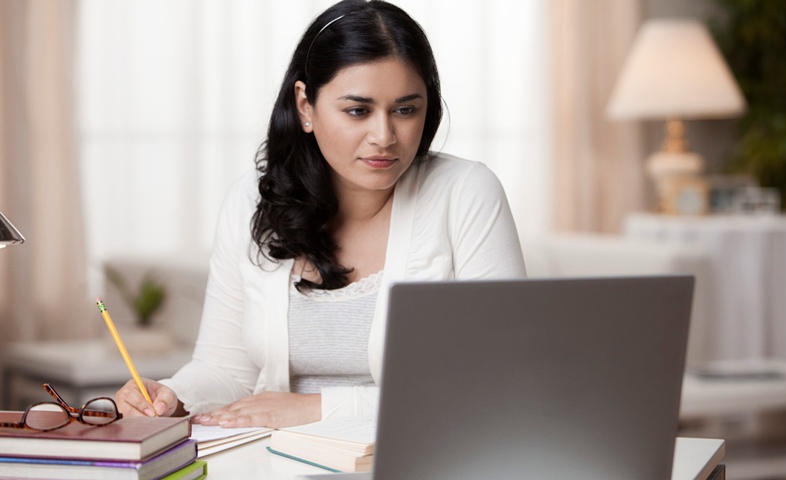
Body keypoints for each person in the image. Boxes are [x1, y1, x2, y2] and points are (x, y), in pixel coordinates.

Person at [114, 0, 526, 428]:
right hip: (274, 461)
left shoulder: (466, 193)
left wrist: (318, 410)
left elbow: (501, 379)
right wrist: (172, 397)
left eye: (406, 110)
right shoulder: (252, 201)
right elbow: (225, 369)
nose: (384, 136)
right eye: (357, 111)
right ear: (305, 106)